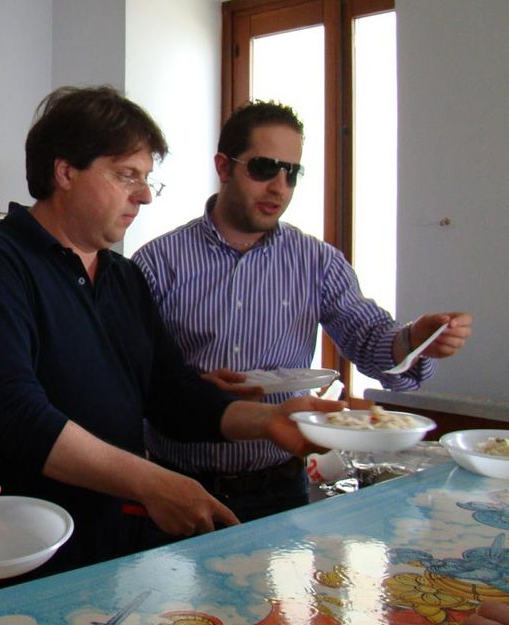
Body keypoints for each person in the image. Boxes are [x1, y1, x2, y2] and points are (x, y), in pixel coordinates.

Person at [0, 85, 343, 598]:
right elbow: (12, 414)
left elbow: (172, 396)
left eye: (147, 179)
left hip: (109, 553)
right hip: (13, 556)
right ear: (65, 171)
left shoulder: (123, 278)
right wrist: (152, 481)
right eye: (127, 175)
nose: (144, 195)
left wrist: (271, 422)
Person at [132, 99, 472, 522]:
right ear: (224, 167)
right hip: (179, 484)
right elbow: (129, 373)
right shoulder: (158, 262)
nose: (279, 187)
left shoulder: (317, 262)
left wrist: (415, 340)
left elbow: (369, 339)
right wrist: (190, 388)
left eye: (291, 173)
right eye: (264, 168)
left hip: (277, 488)